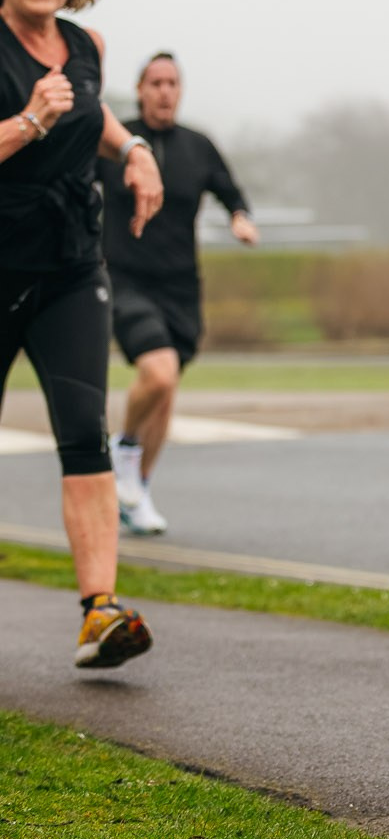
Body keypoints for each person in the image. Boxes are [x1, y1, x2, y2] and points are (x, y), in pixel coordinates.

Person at [0, 0, 164, 667]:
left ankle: (100, 614)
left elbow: (92, 116)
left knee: (84, 434)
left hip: (70, 267)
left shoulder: (85, 44)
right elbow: (50, 116)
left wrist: (134, 149)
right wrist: (29, 120)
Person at [99, 51, 259, 535]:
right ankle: (125, 449)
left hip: (181, 284)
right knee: (159, 372)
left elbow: (230, 191)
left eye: (172, 83)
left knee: (166, 393)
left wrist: (240, 218)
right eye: (155, 83)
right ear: (140, 90)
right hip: (126, 278)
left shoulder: (198, 145)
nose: (165, 91)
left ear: (180, 91)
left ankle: (138, 490)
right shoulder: (116, 141)